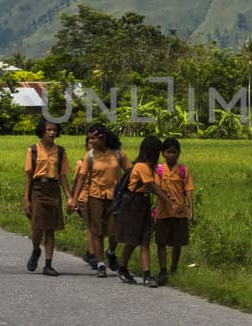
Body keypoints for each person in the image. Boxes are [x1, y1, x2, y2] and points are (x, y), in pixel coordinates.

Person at [68, 124, 126, 277]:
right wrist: (74, 199)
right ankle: (100, 264)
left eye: (94, 138)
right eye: (90, 138)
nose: (91, 141)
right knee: (97, 231)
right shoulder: (90, 156)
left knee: (115, 231)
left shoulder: (118, 154)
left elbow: (130, 172)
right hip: (95, 197)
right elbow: (81, 178)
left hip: (114, 198)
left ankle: (111, 251)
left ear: (103, 137)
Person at [114, 135, 163, 286]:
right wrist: (168, 200)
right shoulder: (141, 166)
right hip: (135, 203)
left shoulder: (150, 167)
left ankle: (146, 275)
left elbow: (152, 188)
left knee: (144, 240)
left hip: (143, 202)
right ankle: (123, 268)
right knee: (132, 239)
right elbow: (153, 186)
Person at [25, 119, 68, 276]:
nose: (52, 132)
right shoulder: (33, 150)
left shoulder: (60, 151)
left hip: (53, 189)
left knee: (50, 228)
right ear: (42, 131)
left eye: (54, 130)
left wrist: (69, 197)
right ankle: (36, 250)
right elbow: (29, 176)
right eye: (49, 129)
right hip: (37, 189)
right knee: (37, 228)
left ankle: (48, 264)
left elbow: (63, 176)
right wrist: (26, 199)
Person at [151, 137, 194, 286]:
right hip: (163, 212)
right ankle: (163, 270)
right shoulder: (159, 170)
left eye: (174, 152)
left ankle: (174, 268)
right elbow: (156, 189)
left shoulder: (183, 170)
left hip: (179, 212)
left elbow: (188, 190)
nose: (171, 155)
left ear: (179, 153)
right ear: (163, 153)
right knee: (161, 242)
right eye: (168, 152)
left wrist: (191, 209)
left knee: (178, 242)